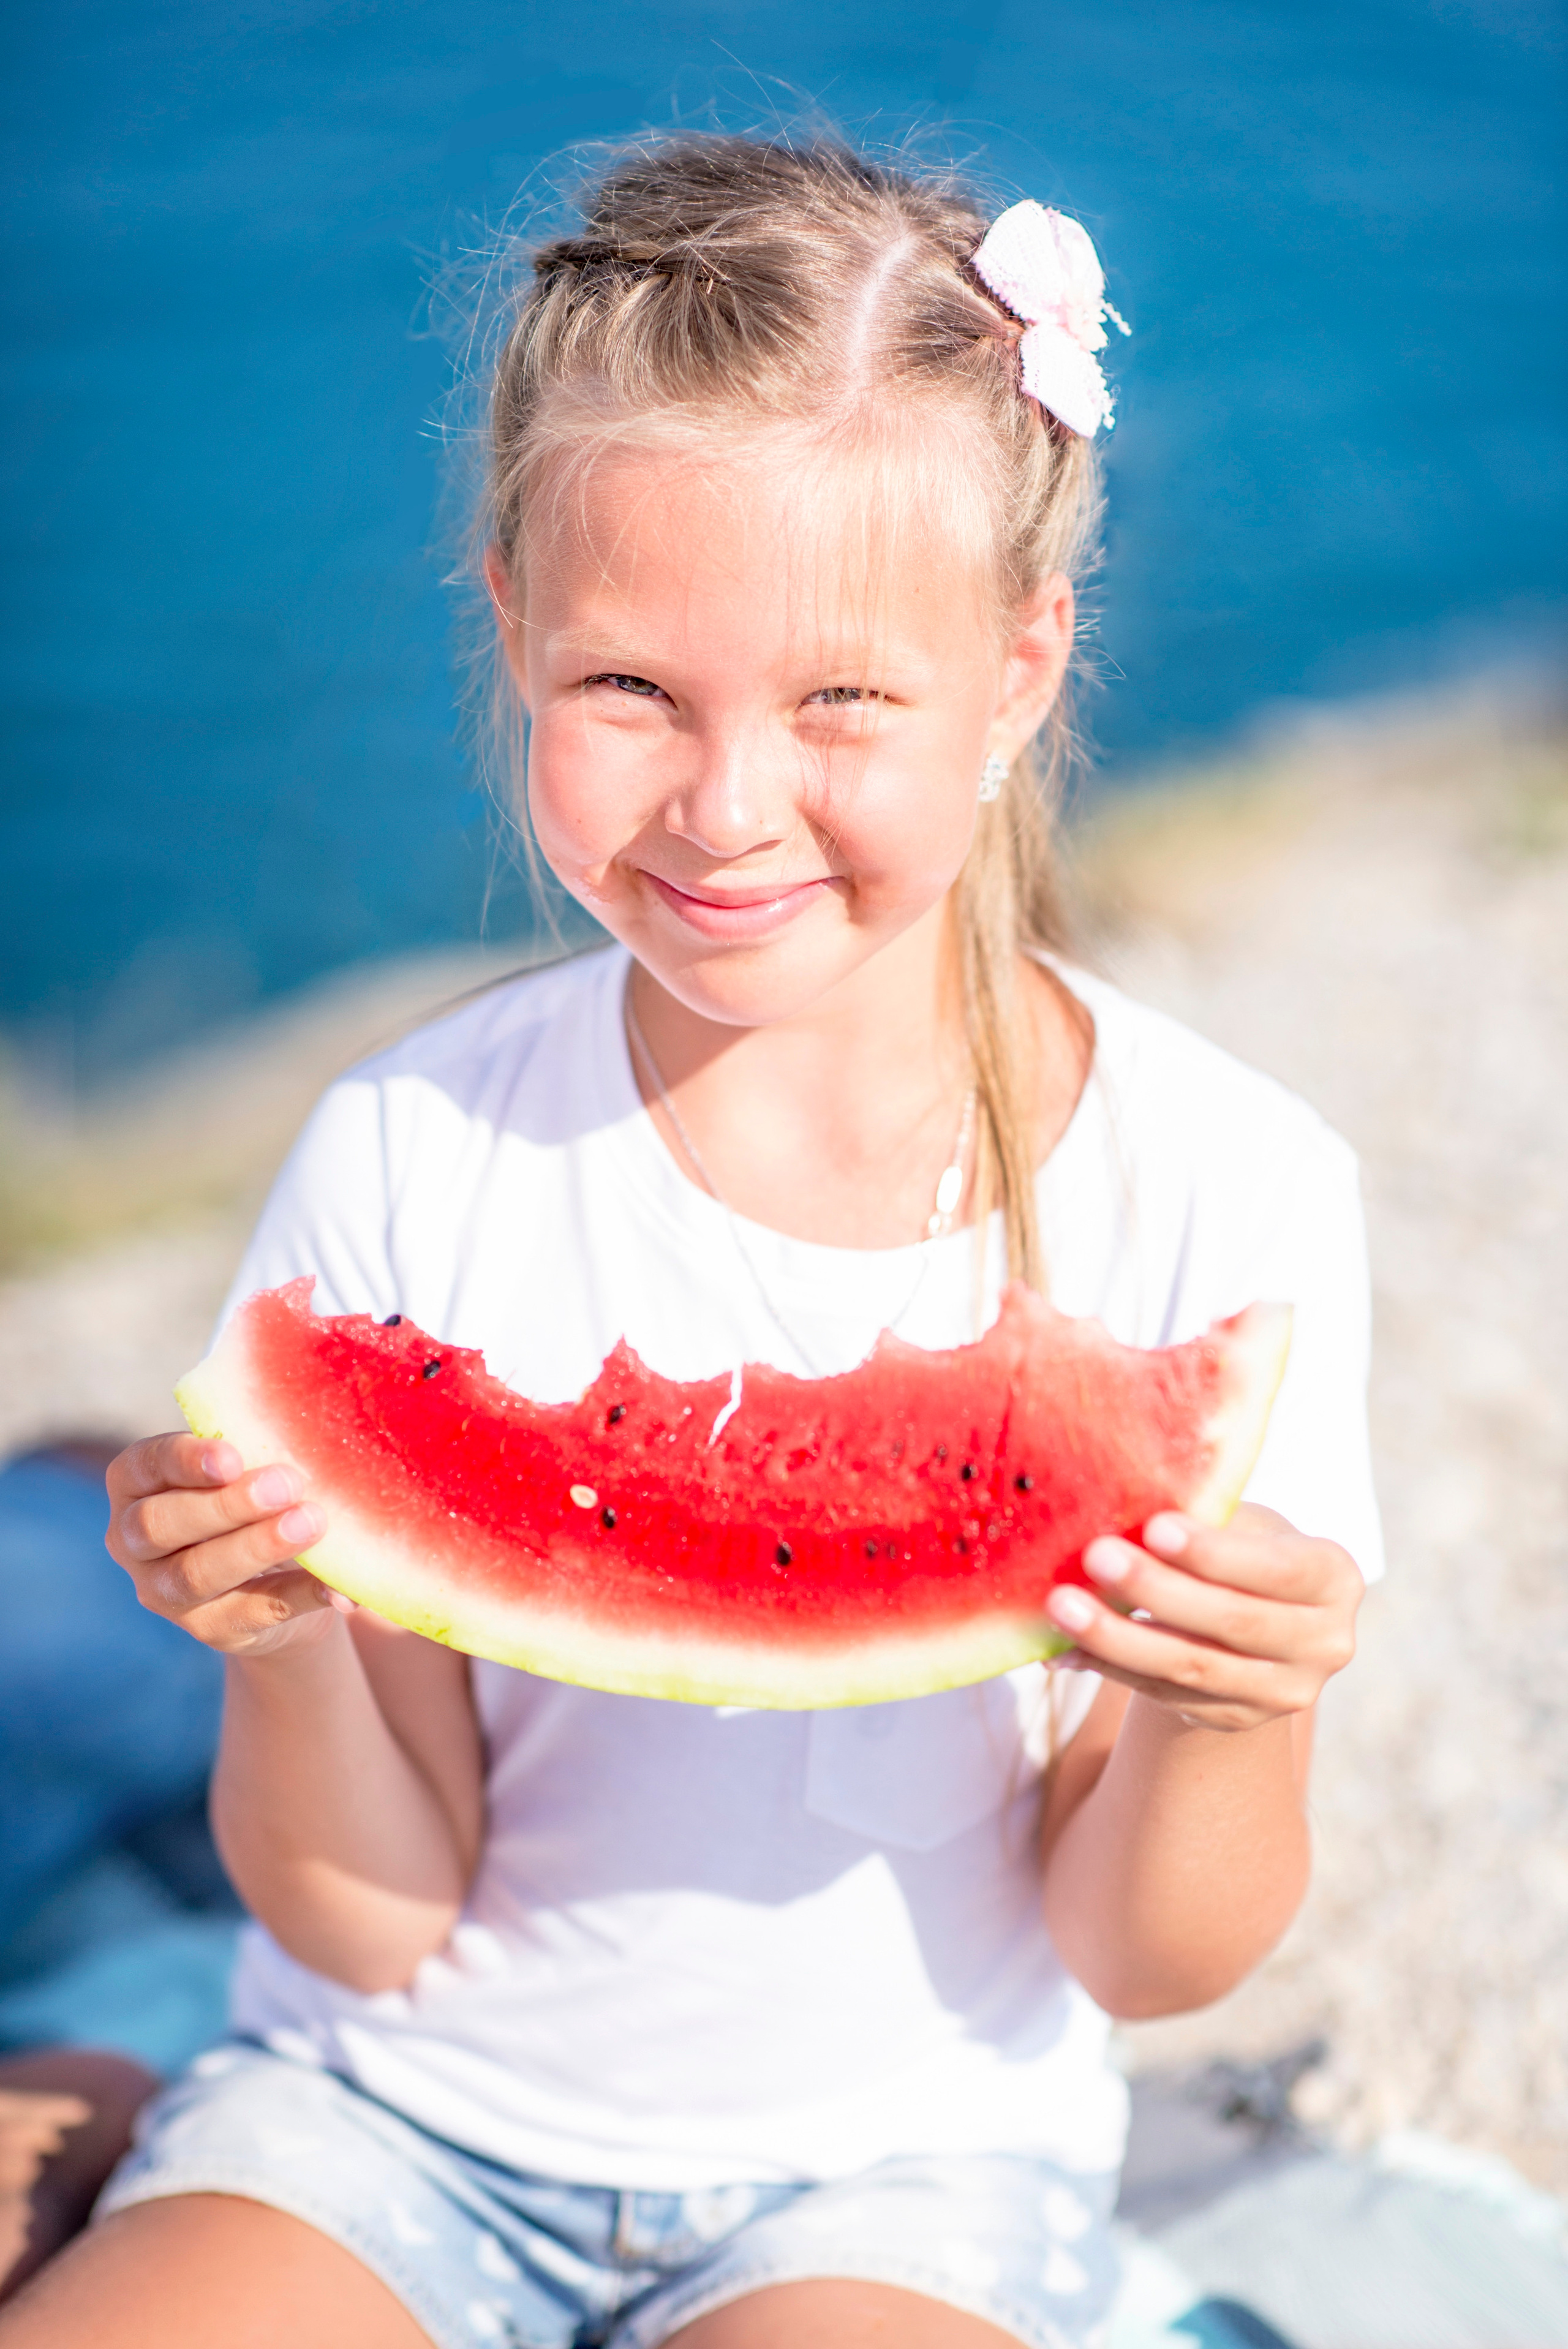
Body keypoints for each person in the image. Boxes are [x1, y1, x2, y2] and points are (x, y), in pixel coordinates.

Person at [1, 136, 1378, 2349]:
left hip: (902, 2182)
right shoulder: (410, 1152)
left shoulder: (1231, 1199)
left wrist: (1237, 1717)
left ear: (1022, 669)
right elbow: (373, 1923)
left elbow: (1146, 1957)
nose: (728, 806)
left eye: (844, 701)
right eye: (632, 690)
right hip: (390, 2118)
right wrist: (277, 1636)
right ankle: (123, 2086)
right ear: (511, 625)